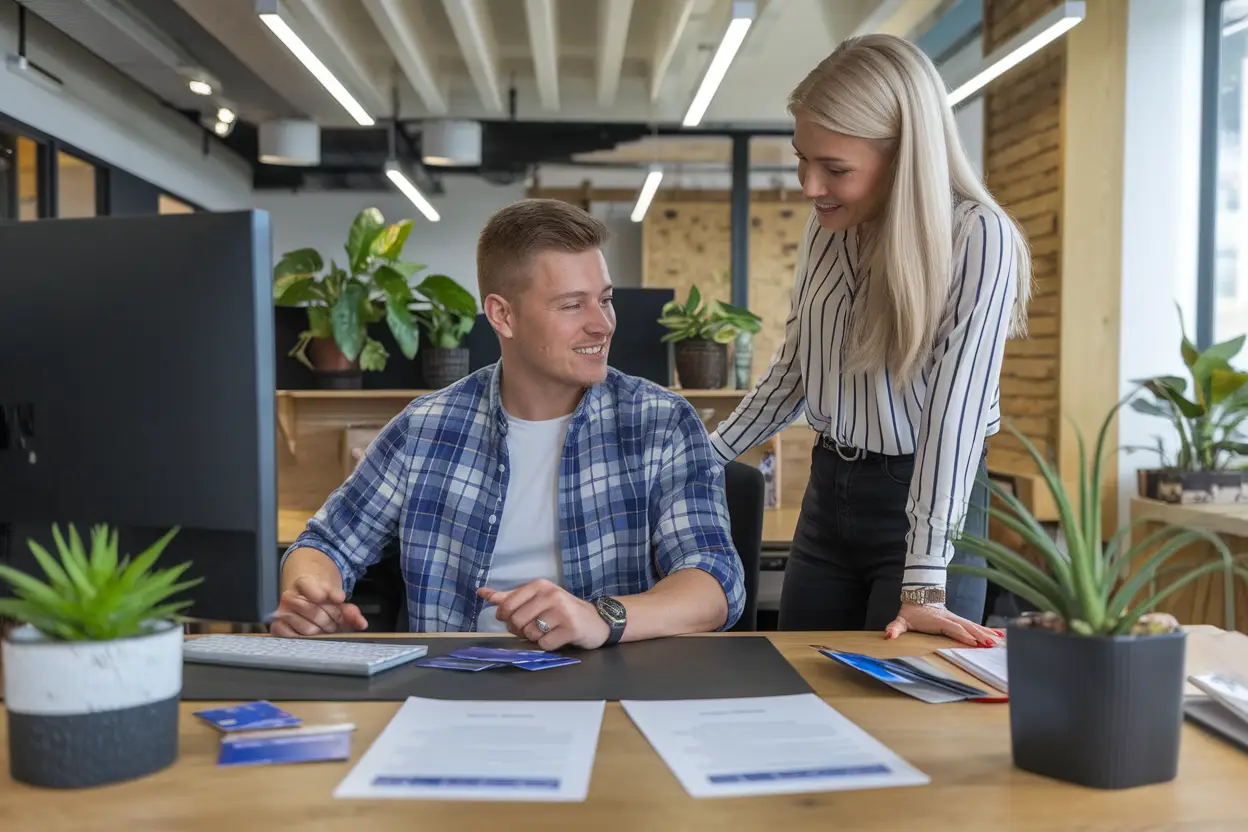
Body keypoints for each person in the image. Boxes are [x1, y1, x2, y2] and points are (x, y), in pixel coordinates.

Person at [275, 198, 745, 648]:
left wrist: (600, 616)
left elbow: (715, 582)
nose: (602, 325)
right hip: (453, 684)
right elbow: (327, 542)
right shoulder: (425, 428)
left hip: (607, 683)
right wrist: (310, 596)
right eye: (572, 305)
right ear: (503, 315)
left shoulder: (660, 422)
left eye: (605, 299)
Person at [709, 34, 1031, 647]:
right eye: (803, 158)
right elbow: (797, 370)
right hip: (831, 490)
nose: (810, 186)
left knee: (905, 702)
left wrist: (924, 577)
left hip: (929, 495)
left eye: (835, 169)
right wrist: (707, 457)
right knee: (799, 683)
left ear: (905, 155)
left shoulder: (979, 238)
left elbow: (955, 415)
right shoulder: (829, 228)